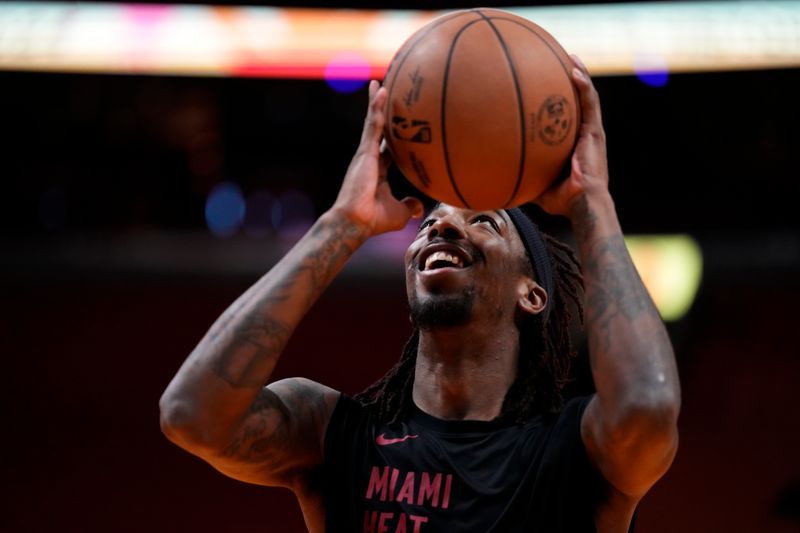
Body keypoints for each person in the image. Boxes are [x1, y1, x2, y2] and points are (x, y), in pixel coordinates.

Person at [159, 56, 680, 533]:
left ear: (532, 294)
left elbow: (649, 406)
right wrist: (341, 224)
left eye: (484, 222)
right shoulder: (331, 432)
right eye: (431, 220)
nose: (442, 228)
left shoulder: (574, 450)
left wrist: (592, 206)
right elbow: (190, 414)